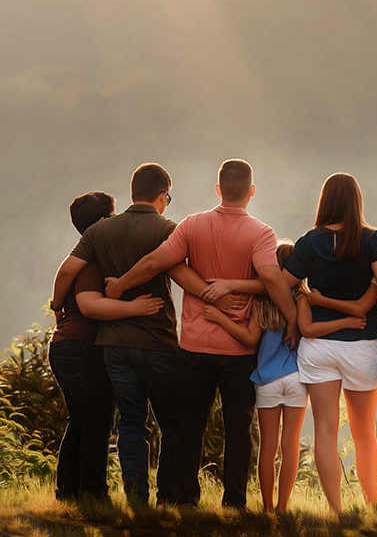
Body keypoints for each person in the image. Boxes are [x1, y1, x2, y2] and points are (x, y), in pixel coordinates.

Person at [104, 159, 297, 509]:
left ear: (218, 189)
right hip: (239, 351)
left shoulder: (193, 224)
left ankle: (185, 501)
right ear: (251, 191)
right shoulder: (261, 232)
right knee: (239, 428)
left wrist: (119, 286)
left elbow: (154, 263)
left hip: (194, 346)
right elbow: (271, 278)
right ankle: (234, 502)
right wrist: (293, 319)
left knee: (191, 426)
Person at [50, 164, 183, 505]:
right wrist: (135, 307)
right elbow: (92, 305)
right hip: (95, 344)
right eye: (110, 215)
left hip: (97, 345)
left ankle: (77, 492)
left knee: (94, 420)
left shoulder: (93, 248)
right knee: (102, 421)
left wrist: (55, 304)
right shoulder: (93, 261)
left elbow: (65, 271)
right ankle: (99, 494)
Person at [280, 172, 377, 513]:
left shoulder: (309, 242)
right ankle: (370, 507)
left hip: (319, 346)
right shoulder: (373, 239)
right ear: (356, 201)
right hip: (360, 346)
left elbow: (282, 284)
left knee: (325, 429)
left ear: (326, 201)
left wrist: (300, 309)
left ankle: (337, 512)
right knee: (364, 430)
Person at [198, 243, 313, 514]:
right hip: (297, 378)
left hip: (267, 380)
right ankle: (284, 509)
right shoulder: (302, 299)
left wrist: (218, 317)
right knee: (290, 444)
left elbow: (249, 338)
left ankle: (267, 509)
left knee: (268, 446)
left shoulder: (260, 302)